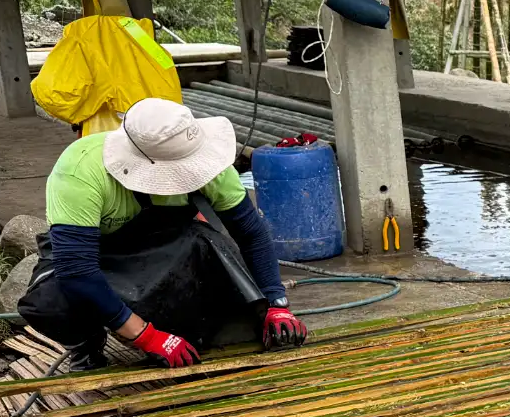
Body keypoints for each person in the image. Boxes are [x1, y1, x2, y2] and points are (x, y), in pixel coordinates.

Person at [19, 97, 308, 368]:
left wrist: (275, 301)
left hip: (168, 251)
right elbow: (78, 271)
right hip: (99, 260)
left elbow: (250, 233)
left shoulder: (205, 159)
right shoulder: (80, 169)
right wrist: (145, 336)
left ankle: (193, 324)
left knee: (213, 248)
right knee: (51, 302)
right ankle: (87, 342)